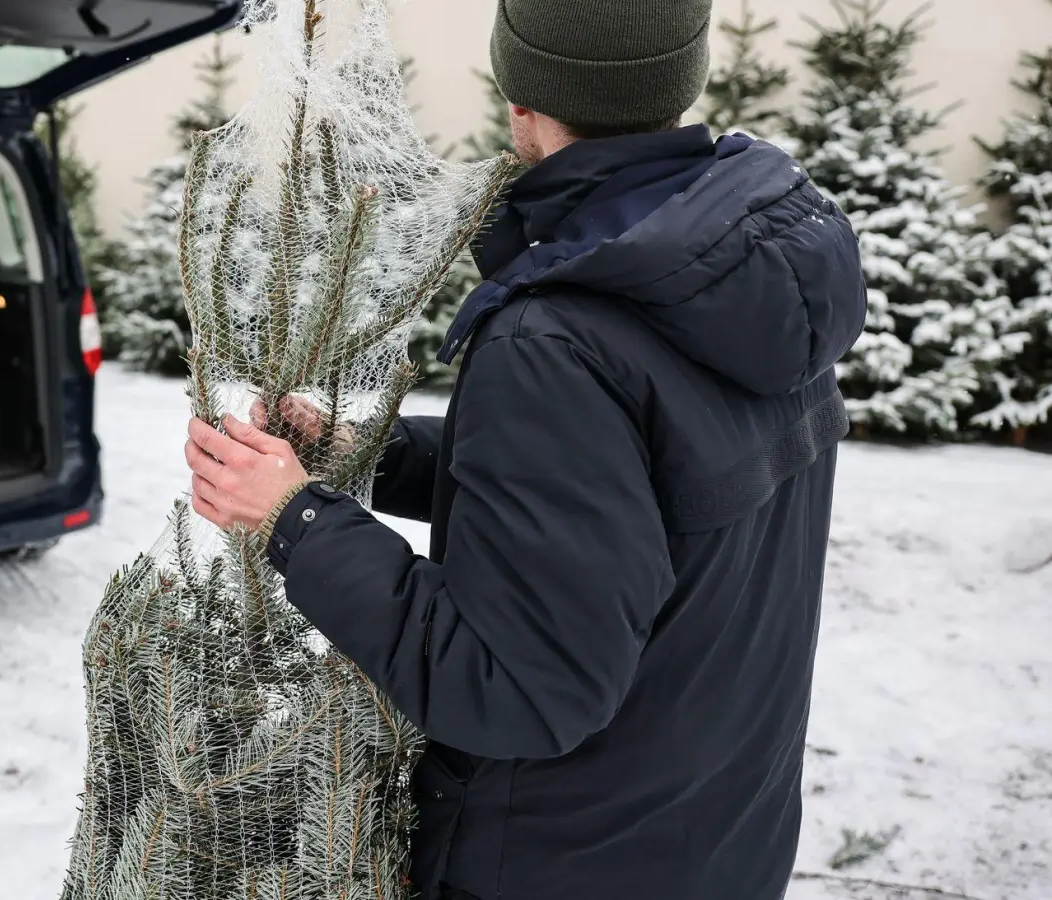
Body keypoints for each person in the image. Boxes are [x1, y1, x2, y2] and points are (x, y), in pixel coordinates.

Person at [183, 0, 868, 898]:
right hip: (719, 841)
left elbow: (518, 685)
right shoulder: (746, 272)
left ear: (522, 102)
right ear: (680, 82)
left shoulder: (558, 336)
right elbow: (636, 493)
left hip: (559, 863)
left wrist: (296, 520)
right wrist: (374, 452)